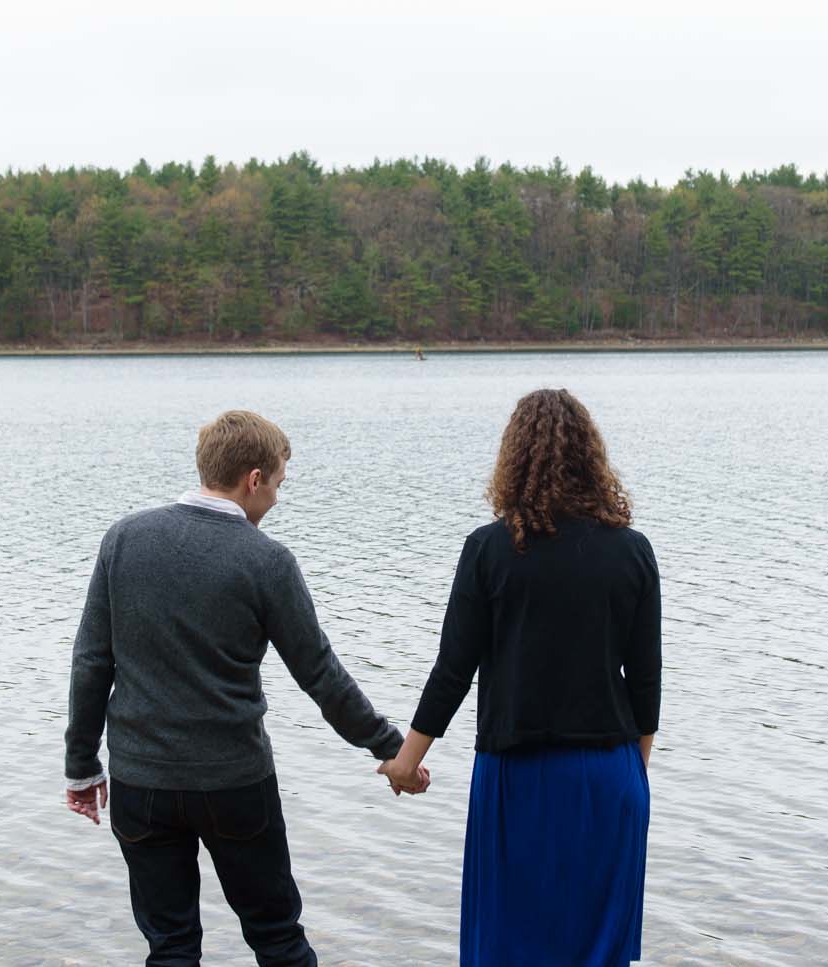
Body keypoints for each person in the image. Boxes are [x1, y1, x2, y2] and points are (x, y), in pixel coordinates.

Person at [64, 409, 426, 966]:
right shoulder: (267, 561)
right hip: (233, 783)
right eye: (278, 484)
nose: (277, 498)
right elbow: (320, 676)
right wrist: (392, 749)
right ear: (253, 479)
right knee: (277, 937)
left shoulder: (124, 539)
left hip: (141, 782)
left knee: (170, 946)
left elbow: (92, 660)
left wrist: (82, 767)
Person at [382, 388, 662, 967]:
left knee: (508, 948)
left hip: (519, 778)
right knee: (597, 953)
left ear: (514, 457)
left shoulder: (489, 549)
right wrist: (633, 771)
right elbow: (646, 680)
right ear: (591, 457)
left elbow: (453, 669)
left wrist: (407, 762)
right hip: (610, 776)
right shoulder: (632, 551)